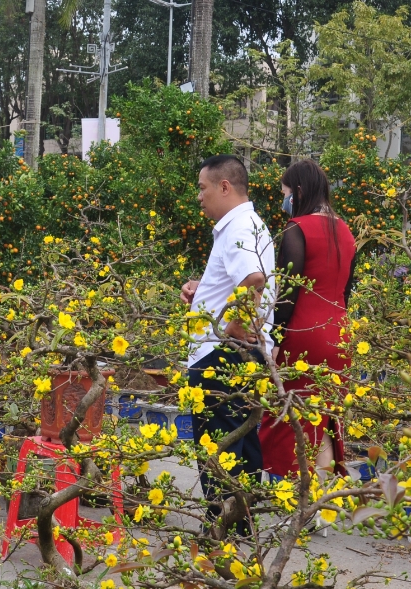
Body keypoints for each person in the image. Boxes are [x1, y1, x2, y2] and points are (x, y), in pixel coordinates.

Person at [180, 154, 275, 532]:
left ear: (224, 187)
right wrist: (203, 291)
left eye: (203, 188)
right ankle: (240, 528)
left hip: (221, 355)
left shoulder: (237, 227)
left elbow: (253, 279)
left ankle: (222, 531)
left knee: (218, 448)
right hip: (241, 355)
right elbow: (245, 279)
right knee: (243, 443)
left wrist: (232, 325)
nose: (199, 197)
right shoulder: (248, 225)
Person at [259, 158, 356, 477]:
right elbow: (346, 290)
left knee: (293, 419)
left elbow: (288, 293)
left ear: (298, 192)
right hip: (338, 335)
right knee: (324, 417)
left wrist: (275, 338)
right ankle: (321, 506)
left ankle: (299, 499)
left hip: (304, 334)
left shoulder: (296, 229)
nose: (284, 200)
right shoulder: (345, 230)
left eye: (285, 192)